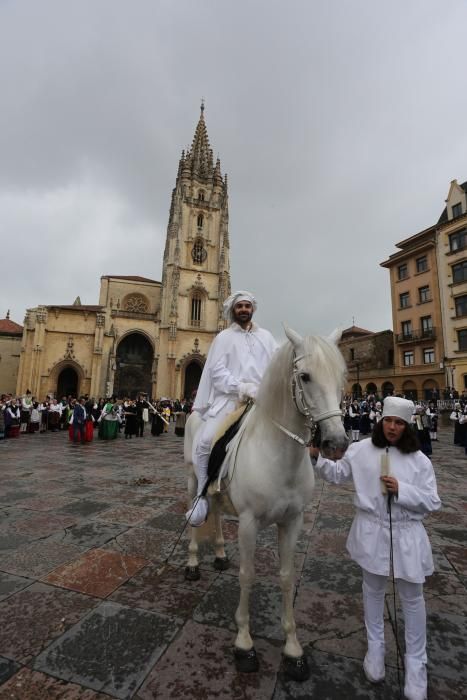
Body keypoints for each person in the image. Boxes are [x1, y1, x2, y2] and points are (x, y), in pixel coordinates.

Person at [310, 397, 441, 700]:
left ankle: (416, 664)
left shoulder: (419, 460)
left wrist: (403, 490)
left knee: (412, 598)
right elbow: (338, 474)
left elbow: (432, 500)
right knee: (372, 591)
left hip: (408, 533)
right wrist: (317, 458)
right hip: (371, 529)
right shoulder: (361, 449)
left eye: (399, 423)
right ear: (381, 420)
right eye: (388, 421)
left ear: (407, 426)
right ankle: (375, 650)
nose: (392, 427)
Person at [186, 290, 278, 527]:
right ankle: (201, 496)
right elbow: (216, 371)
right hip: (230, 400)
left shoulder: (267, 337)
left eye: (248, 306)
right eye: (240, 307)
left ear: (253, 309)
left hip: (262, 400)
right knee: (205, 441)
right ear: (233, 311)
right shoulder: (224, 338)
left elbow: (276, 366)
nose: (244, 310)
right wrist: (241, 387)